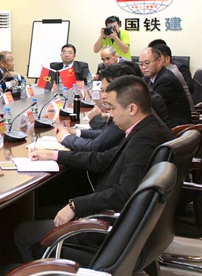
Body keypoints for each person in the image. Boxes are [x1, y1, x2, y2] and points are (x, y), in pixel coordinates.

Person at [15, 75, 173, 262]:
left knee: (23, 232)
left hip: (109, 227)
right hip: (127, 221)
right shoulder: (147, 129)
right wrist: (54, 155)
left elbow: (124, 193)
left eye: (112, 108)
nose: (109, 114)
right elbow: (102, 159)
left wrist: (75, 205)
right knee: (41, 213)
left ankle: (35, 275)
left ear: (132, 108)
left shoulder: (144, 140)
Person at [55, 64, 133, 152]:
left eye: (108, 91)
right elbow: (106, 134)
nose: (102, 96)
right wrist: (75, 132)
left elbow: (94, 147)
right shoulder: (118, 110)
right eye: (102, 90)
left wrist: (65, 137)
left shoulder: (124, 114)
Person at [139, 47, 192, 128]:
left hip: (174, 127)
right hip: (160, 122)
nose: (143, 67)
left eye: (147, 63)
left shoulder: (166, 80)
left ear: (159, 61)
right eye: (141, 64)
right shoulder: (147, 78)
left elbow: (149, 106)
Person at [154, 44, 195, 111]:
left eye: (158, 59)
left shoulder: (170, 74)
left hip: (183, 114)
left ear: (167, 59)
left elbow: (156, 101)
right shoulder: (160, 73)